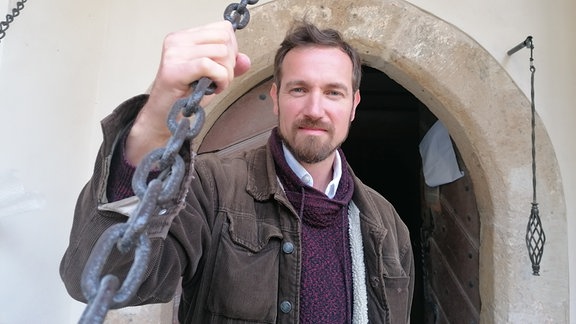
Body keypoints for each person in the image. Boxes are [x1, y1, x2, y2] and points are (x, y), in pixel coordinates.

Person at [60, 20, 414, 323]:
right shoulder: (211, 187)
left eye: (333, 92)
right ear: (275, 98)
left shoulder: (388, 225)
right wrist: (154, 127)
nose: (314, 109)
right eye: (299, 89)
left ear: (353, 105)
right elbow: (102, 278)